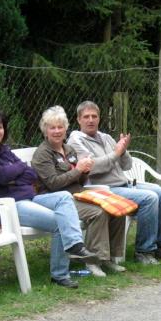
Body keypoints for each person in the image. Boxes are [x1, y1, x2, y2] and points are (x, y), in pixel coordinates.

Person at [0, 108, 98, 289]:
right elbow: (1, 176)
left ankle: (75, 244)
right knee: (60, 222)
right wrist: (16, 171)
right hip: (7, 207)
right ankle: (60, 275)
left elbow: (30, 174)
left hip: (30, 199)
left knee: (64, 196)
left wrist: (13, 174)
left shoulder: (5, 152)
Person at [67, 101, 161, 265]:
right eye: (86, 117)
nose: (90, 120)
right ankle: (144, 251)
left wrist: (123, 150)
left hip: (124, 184)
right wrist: (115, 154)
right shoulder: (75, 141)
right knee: (149, 198)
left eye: (94, 116)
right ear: (78, 119)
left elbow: (127, 165)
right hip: (103, 190)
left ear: (99, 118)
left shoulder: (105, 138)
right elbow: (92, 167)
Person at [31, 105, 127, 277]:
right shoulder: (42, 154)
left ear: (66, 129)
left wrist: (85, 172)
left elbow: (79, 180)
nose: (57, 131)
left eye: (60, 127)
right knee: (98, 212)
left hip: (78, 194)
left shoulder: (69, 149)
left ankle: (109, 258)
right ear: (45, 130)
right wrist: (77, 170)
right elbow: (53, 184)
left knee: (116, 207)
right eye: (52, 128)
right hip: (57, 199)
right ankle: (93, 261)